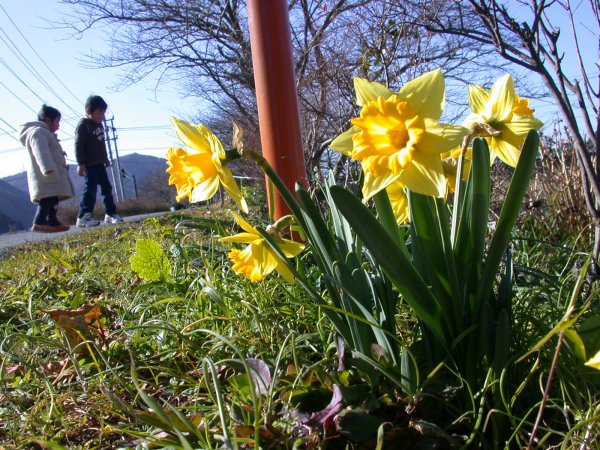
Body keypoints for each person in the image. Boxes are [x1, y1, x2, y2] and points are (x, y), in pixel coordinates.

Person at [19, 105, 74, 233]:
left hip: (52, 174)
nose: (59, 125)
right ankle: (39, 221)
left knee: (53, 197)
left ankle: (52, 221)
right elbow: (40, 151)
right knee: (47, 198)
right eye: (57, 121)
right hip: (46, 174)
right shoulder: (38, 132)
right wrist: (47, 168)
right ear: (48, 120)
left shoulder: (45, 133)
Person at [74, 95, 123, 227]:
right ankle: (84, 216)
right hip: (89, 165)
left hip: (99, 163)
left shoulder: (99, 125)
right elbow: (79, 145)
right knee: (90, 189)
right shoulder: (84, 125)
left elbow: (101, 144)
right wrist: (80, 163)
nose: (102, 116)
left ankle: (110, 213)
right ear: (89, 112)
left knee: (107, 188)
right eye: (99, 113)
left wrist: (105, 158)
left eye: (103, 113)